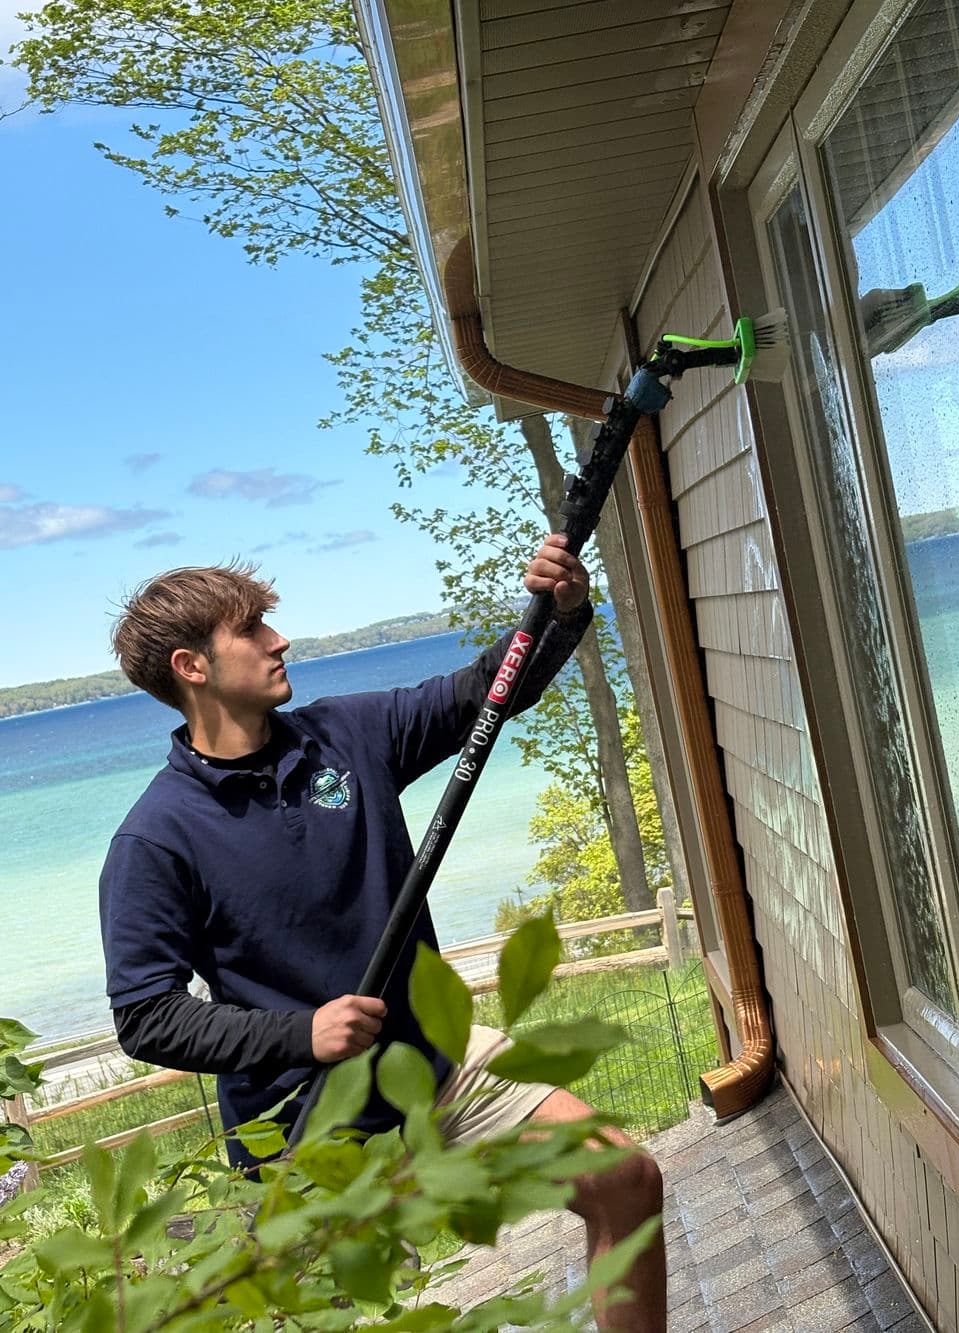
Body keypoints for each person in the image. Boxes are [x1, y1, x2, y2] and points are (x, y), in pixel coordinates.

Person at [99, 533, 666, 1330]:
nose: (278, 638)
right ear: (192, 666)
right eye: (253, 627)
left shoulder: (347, 737)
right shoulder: (157, 839)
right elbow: (146, 1012)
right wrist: (303, 1033)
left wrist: (561, 610)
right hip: (306, 1127)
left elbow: (487, 691)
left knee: (626, 1177)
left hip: (432, 1064)